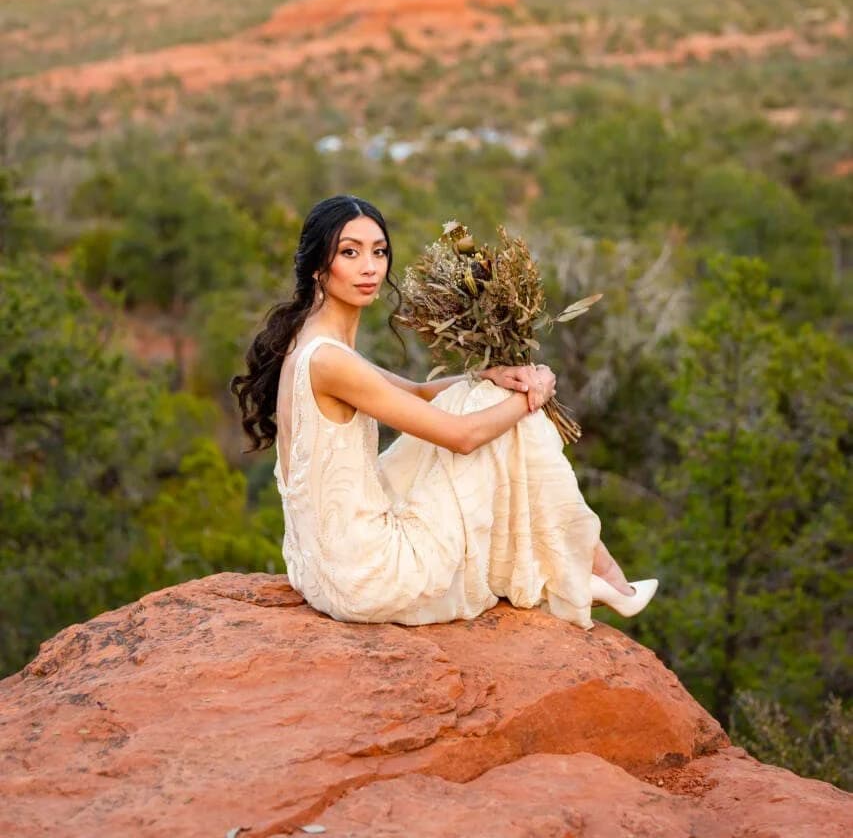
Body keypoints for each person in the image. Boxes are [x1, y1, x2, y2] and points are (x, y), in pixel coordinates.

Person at [231, 194, 658, 629]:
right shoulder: (330, 360)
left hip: (320, 571)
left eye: (378, 251)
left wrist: (495, 375)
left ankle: (588, 570)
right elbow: (463, 436)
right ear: (318, 266)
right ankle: (596, 572)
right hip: (367, 577)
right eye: (349, 252)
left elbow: (419, 393)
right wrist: (535, 393)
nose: (369, 267)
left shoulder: (312, 341)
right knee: (508, 415)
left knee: (485, 396)